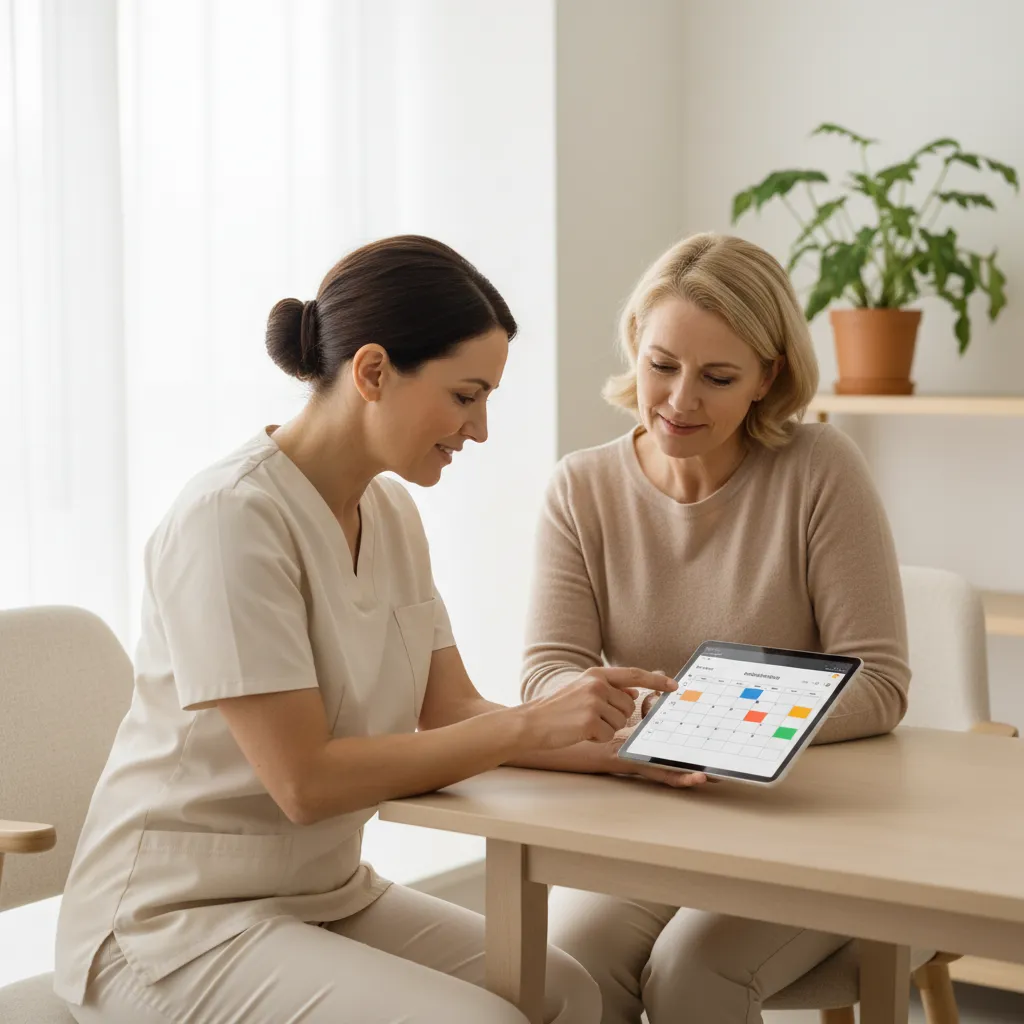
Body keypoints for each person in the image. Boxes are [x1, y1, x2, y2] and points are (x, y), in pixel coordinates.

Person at [54, 235, 699, 1024]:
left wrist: (610, 751)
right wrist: (532, 721)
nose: (481, 428)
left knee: (565, 991)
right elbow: (306, 782)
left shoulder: (389, 513)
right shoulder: (231, 520)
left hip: (321, 893)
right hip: (175, 924)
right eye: (466, 396)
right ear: (371, 372)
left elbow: (454, 710)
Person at [521, 233, 912, 1024]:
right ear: (636, 345)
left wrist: (711, 726)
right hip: (651, 822)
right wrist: (656, 727)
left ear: (767, 377)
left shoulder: (819, 469)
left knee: (695, 972)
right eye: (661, 365)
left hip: (805, 824)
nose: (679, 400)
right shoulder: (581, 488)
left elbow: (879, 680)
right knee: (572, 966)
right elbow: (546, 677)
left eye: (719, 376)